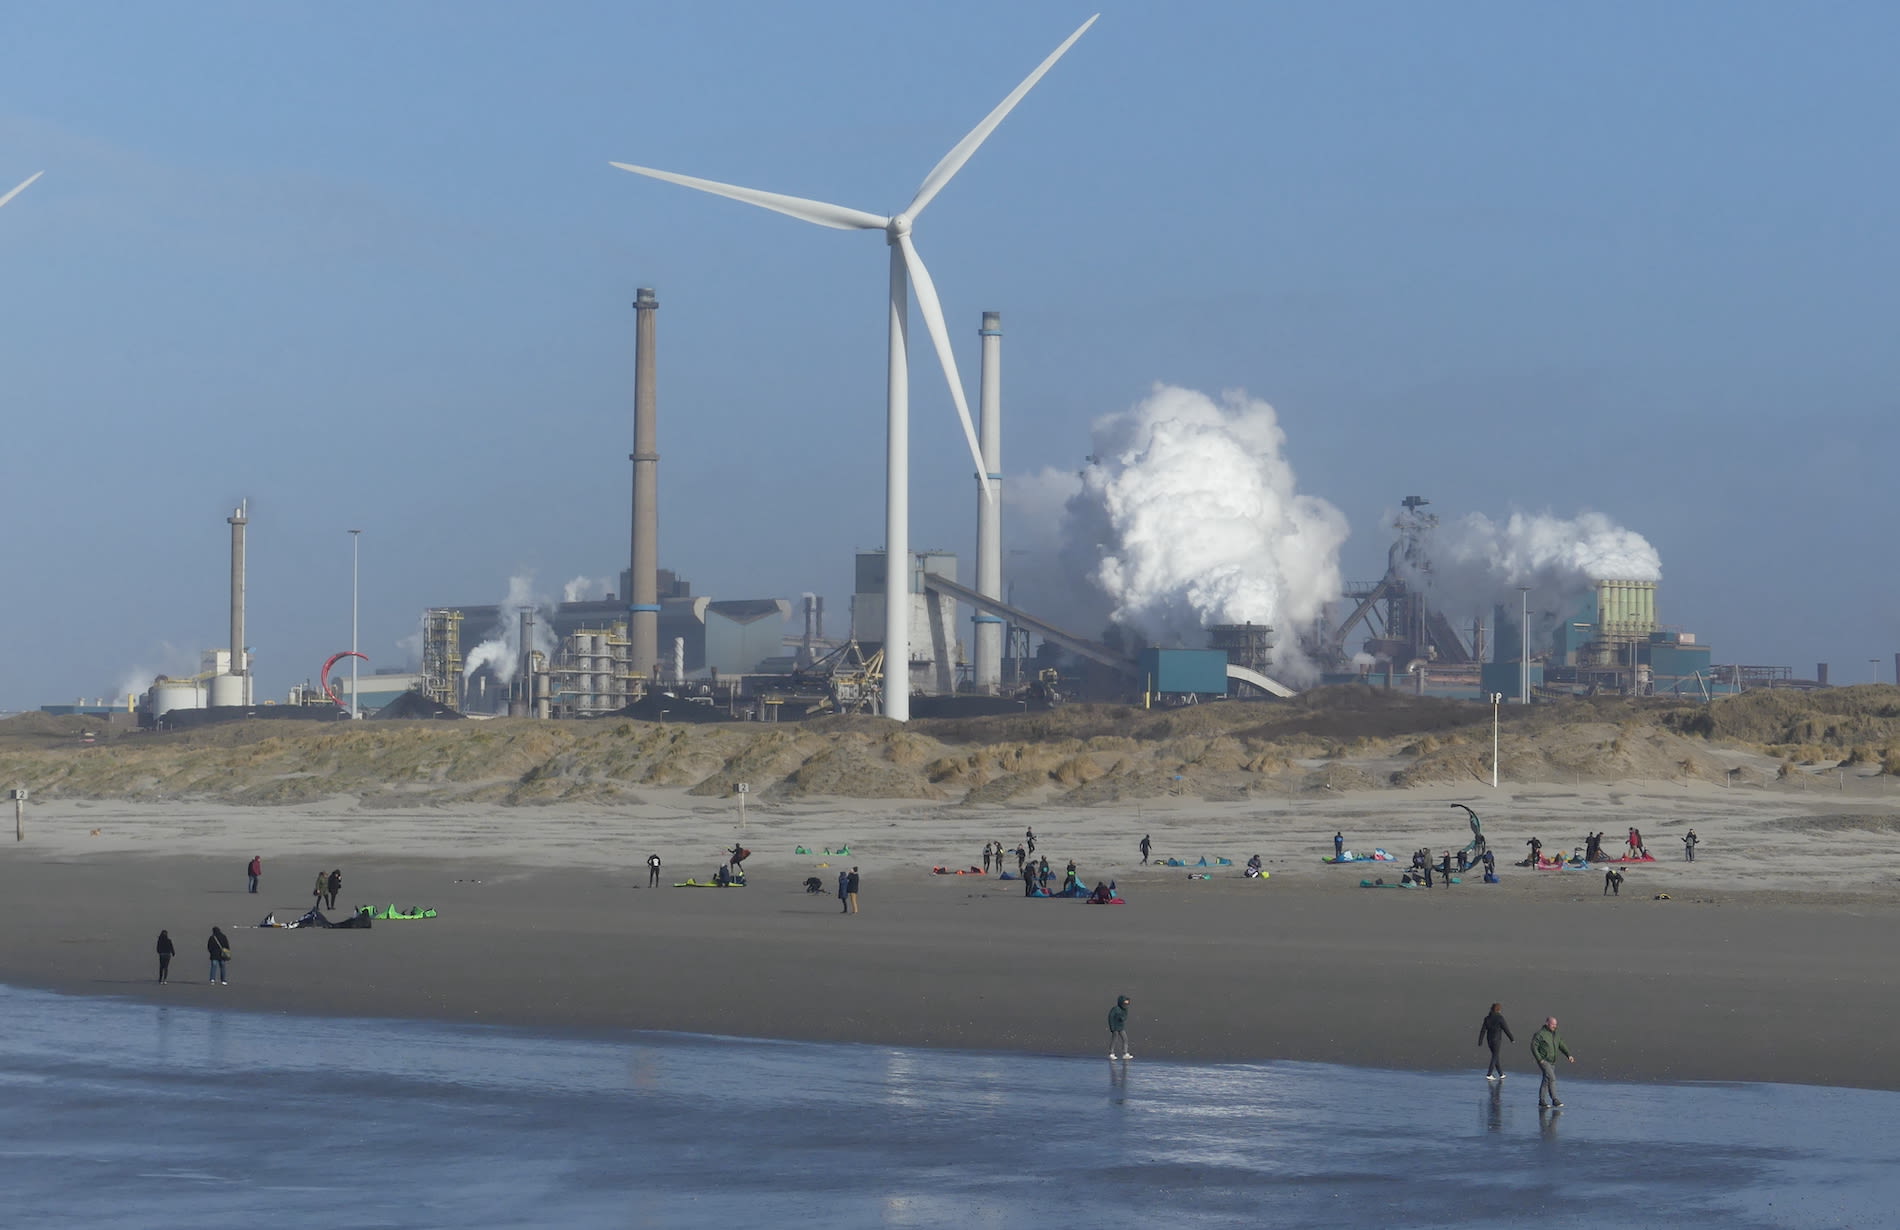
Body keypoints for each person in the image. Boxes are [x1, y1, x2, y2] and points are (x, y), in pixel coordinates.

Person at [1532, 1016, 1575, 1108]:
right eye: (1553, 1024)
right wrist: (1540, 1059)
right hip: (1544, 1061)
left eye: (1555, 1024)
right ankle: (1555, 1099)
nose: (1554, 1026)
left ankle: (1542, 1100)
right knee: (1552, 1078)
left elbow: (1561, 1045)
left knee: (1546, 1080)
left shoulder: (1556, 1034)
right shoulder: (1540, 1034)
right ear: (1547, 1023)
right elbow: (1533, 1047)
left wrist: (1568, 1055)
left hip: (1552, 1061)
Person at [1478, 1003, 1514, 1080]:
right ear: (1499, 1010)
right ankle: (1489, 1074)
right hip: (1496, 1040)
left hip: (1489, 1040)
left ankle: (1501, 1074)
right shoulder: (1500, 1018)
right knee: (1495, 1056)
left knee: (1495, 1056)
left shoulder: (1487, 1018)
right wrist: (1512, 1038)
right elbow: (1506, 1029)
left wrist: (1480, 1041)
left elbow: (1483, 1031)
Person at [1107, 994, 1132, 1060]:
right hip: (1115, 1027)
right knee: (1114, 1040)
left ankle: (1125, 1053)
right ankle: (1111, 1053)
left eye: (1127, 1003)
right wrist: (1112, 1027)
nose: (1126, 1004)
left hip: (1121, 1027)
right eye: (1124, 1003)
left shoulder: (1125, 1009)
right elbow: (1110, 1017)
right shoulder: (1115, 1009)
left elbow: (1125, 1016)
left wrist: (1123, 1018)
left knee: (1125, 1039)